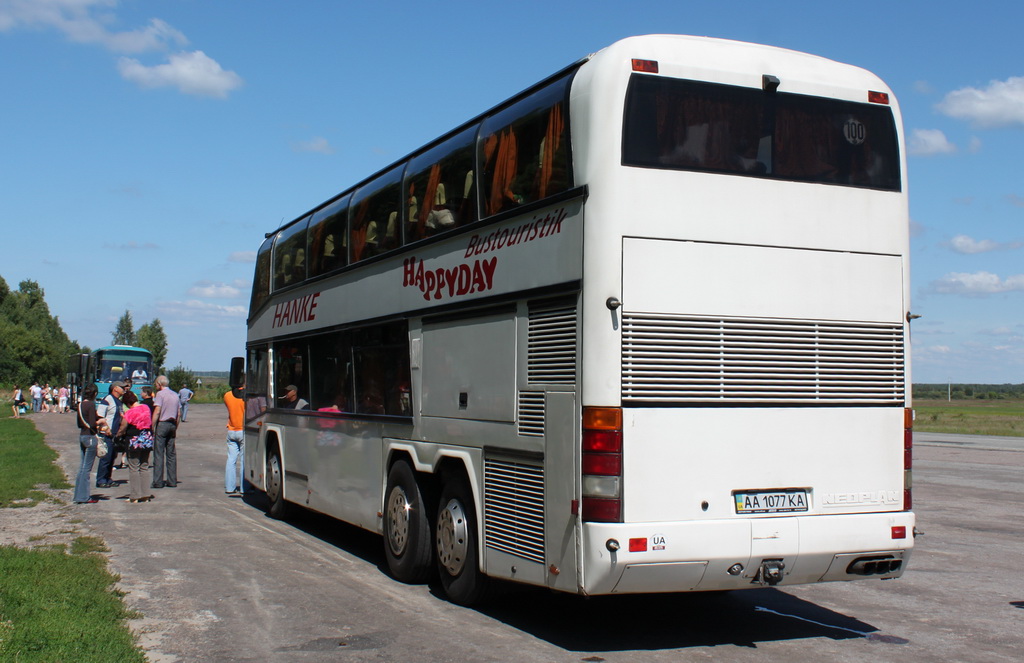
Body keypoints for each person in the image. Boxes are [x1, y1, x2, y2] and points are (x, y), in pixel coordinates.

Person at [116, 390, 154, 503]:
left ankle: (135, 495)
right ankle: (146, 494)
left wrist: (118, 434)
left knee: (134, 467)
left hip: (134, 440)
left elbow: (123, 427)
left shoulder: (129, 413)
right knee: (144, 466)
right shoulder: (146, 408)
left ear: (127, 403)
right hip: (147, 439)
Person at [73, 384, 105, 504]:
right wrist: (100, 421)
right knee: (87, 469)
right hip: (90, 437)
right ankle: (84, 497)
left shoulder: (80, 405)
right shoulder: (91, 405)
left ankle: (78, 495)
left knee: (82, 468)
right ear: (94, 394)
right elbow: (92, 423)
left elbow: (79, 423)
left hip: (82, 435)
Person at [94, 381, 125, 488]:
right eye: (122, 387)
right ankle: (101, 479)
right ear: (115, 388)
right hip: (107, 433)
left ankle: (108, 478)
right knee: (106, 458)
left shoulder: (119, 402)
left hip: (116, 434)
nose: (124, 389)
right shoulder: (107, 400)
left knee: (112, 457)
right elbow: (100, 416)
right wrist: (106, 429)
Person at [151, 375, 180, 489]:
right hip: (172, 423)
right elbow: (178, 413)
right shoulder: (175, 394)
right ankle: (172, 480)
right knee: (171, 454)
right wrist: (175, 427)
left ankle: (158, 481)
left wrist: (152, 426)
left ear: (159, 384)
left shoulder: (160, 394)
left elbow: (157, 411)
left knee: (159, 453)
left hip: (162, 423)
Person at [224, 382, 246, 494]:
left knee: (231, 460)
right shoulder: (246, 396)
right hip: (243, 429)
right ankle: (244, 488)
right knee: (243, 460)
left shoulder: (227, 395)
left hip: (231, 429)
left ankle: (229, 487)